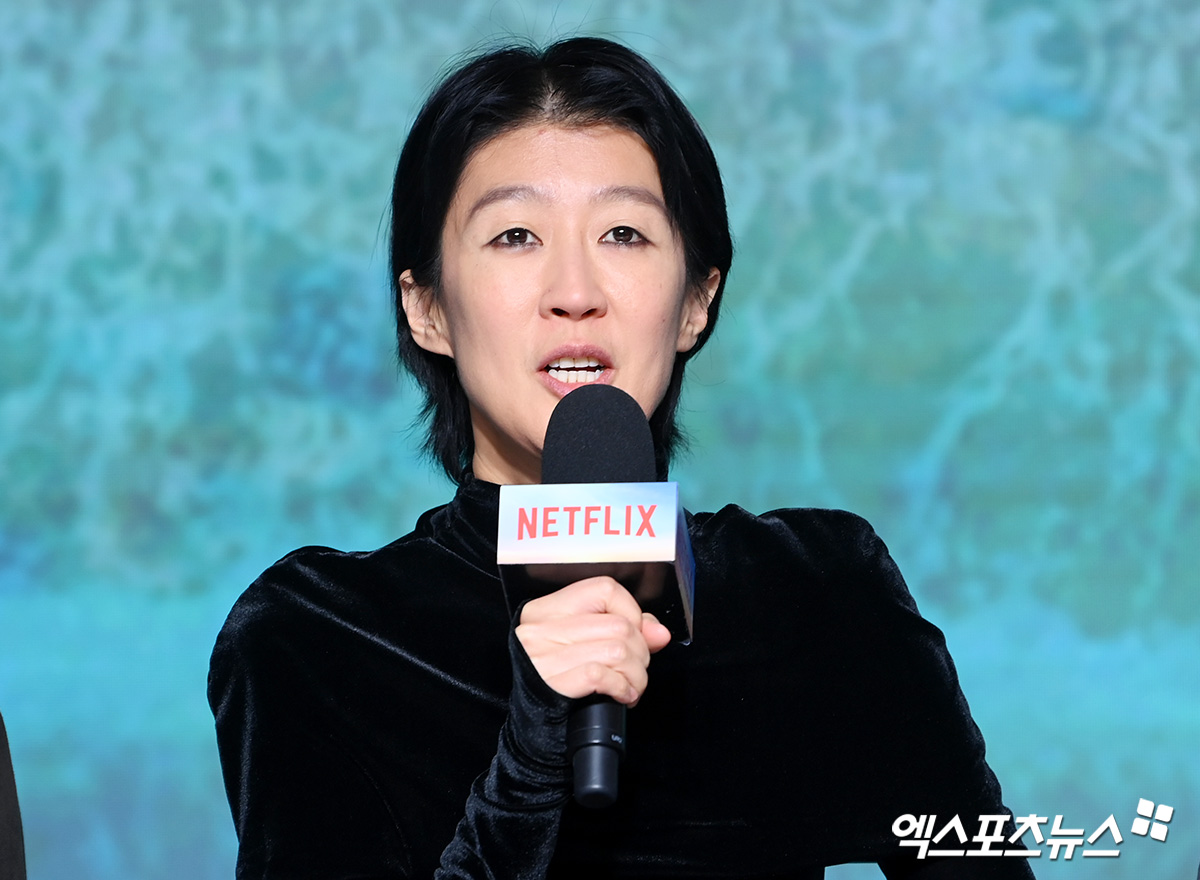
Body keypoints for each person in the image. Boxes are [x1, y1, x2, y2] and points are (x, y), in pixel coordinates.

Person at [209, 37, 1034, 879]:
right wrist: (531, 757)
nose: (575, 292)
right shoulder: (318, 637)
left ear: (697, 302)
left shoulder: (818, 591)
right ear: (428, 310)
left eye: (624, 233)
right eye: (516, 235)